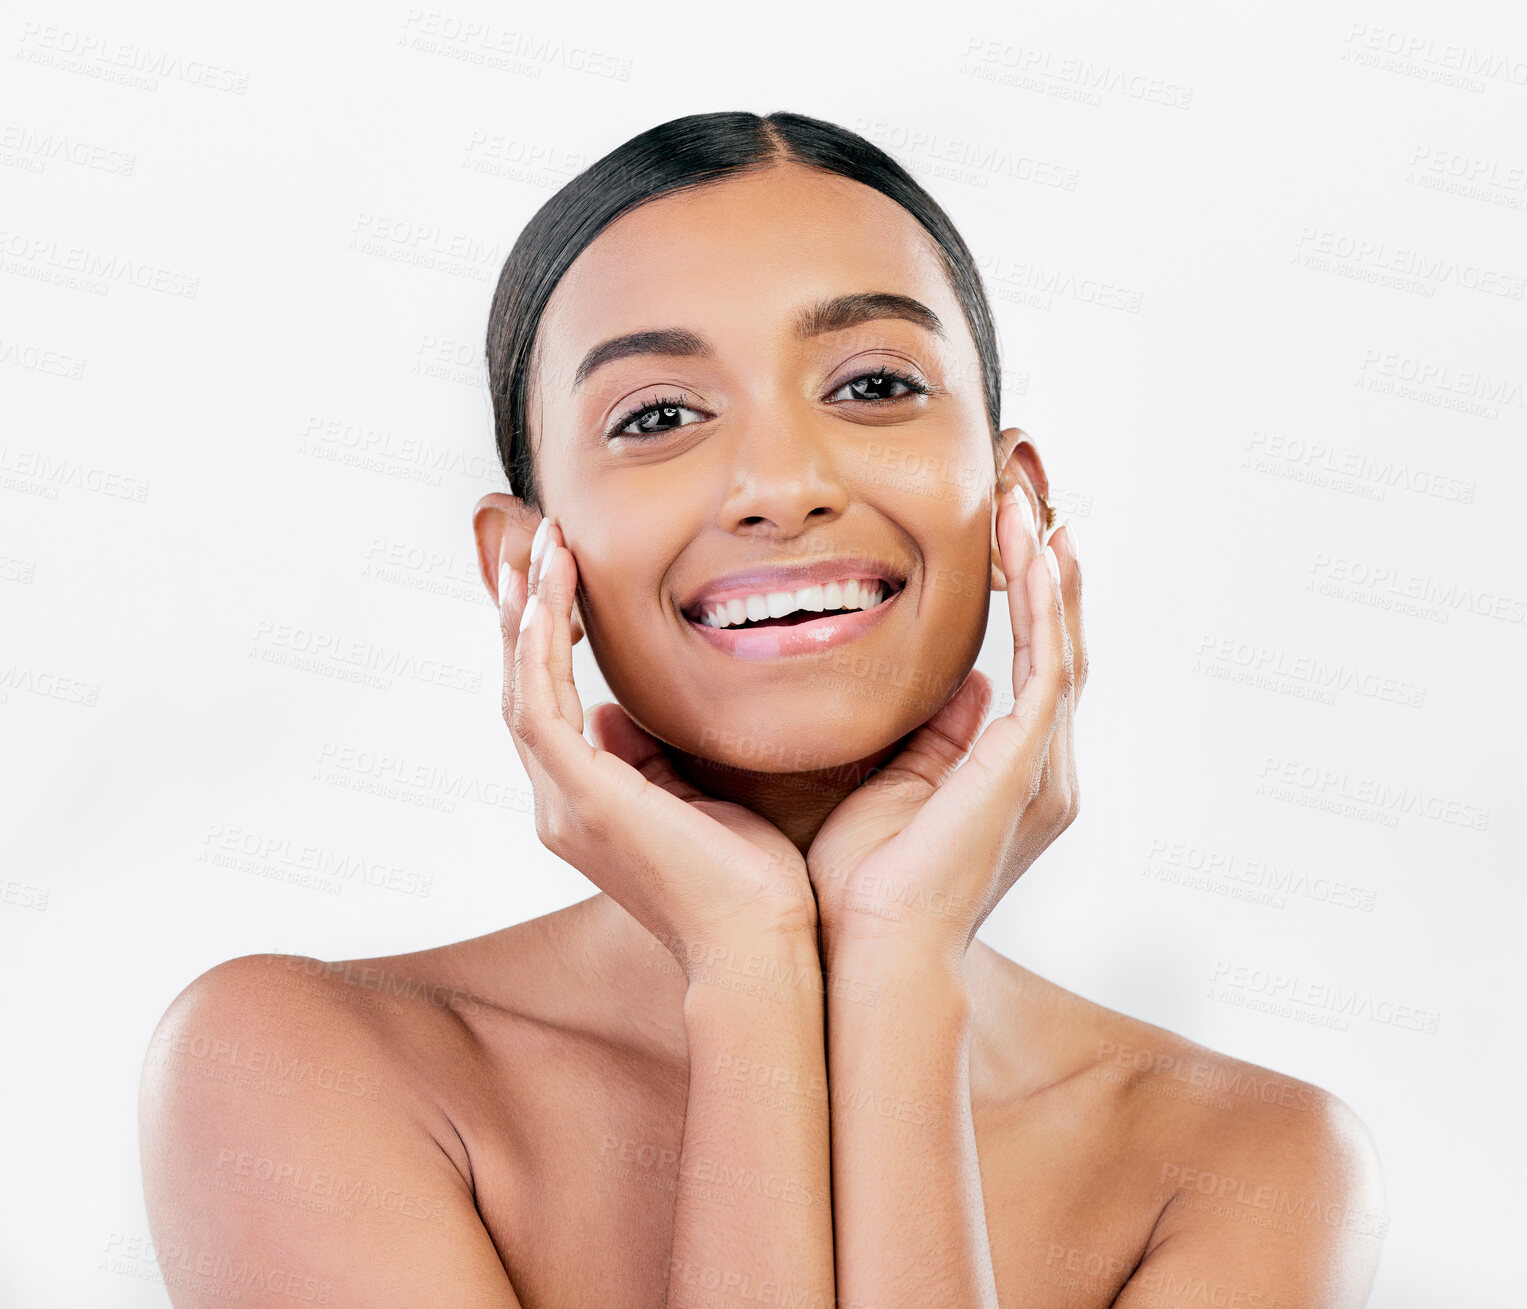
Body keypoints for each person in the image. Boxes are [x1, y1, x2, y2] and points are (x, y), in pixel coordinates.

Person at [139, 110, 1384, 1308]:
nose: (781, 486)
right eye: (659, 415)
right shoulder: (299, 1065)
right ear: (525, 567)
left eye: (875, 385)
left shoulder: (1255, 1165)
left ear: (1015, 504)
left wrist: (896, 969)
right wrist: (745, 970)